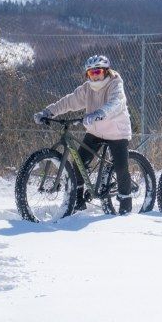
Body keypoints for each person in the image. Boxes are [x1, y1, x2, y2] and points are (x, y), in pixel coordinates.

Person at [33, 55, 134, 214]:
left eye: (98, 72)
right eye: (90, 73)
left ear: (106, 71)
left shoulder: (115, 84)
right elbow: (69, 101)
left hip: (117, 132)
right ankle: (78, 201)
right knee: (78, 163)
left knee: (121, 168)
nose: (95, 76)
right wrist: (48, 112)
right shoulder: (87, 88)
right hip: (95, 131)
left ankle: (126, 206)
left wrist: (100, 113)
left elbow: (116, 103)